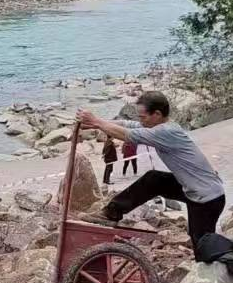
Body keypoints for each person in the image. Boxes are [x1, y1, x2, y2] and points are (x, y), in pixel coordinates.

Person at [76, 93, 225, 244]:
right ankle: (110, 213)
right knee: (154, 179)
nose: (140, 121)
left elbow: (128, 135)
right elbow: (128, 125)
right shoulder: (158, 126)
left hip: (208, 198)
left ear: (157, 114)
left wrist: (97, 121)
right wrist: (96, 123)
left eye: (143, 117)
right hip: (195, 189)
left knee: (203, 247)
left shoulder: (165, 132)